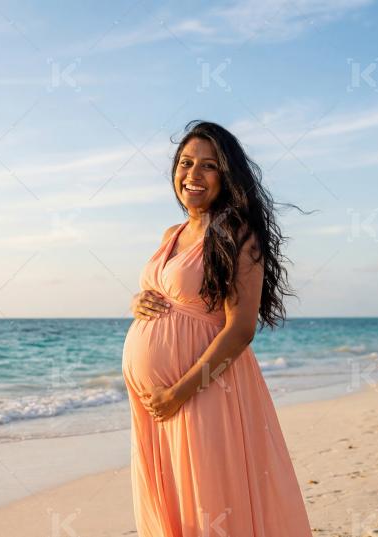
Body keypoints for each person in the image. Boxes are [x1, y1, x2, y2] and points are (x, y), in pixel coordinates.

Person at [121, 120, 313, 536]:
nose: (193, 174)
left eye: (208, 165)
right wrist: (138, 301)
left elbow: (240, 330)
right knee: (174, 504)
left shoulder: (237, 234)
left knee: (209, 505)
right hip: (160, 402)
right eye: (185, 162)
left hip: (205, 390)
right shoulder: (172, 234)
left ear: (227, 176)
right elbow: (167, 295)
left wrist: (179, 391)